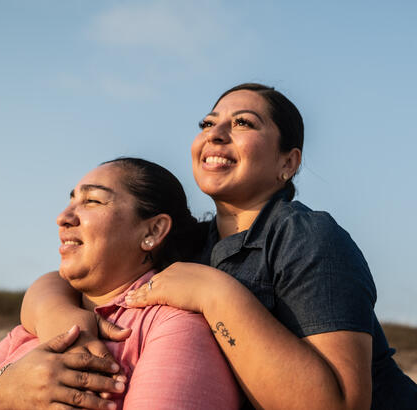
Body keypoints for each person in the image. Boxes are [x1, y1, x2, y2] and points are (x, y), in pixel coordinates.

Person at [20, 83, 417, 410]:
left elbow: (343, 405)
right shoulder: (191, 243)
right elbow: (64, 281)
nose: (216, 133)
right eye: (208, 123)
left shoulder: (305, 236)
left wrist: (216, 294)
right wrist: (60, 319)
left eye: (243, 123)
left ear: (288, 162)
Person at [0, 158, 241, 410]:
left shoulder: (172, 325)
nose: (63, 217)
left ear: (153, 230)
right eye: (70, 201)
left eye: (92, 201)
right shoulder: (39, 322)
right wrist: (3, 388)